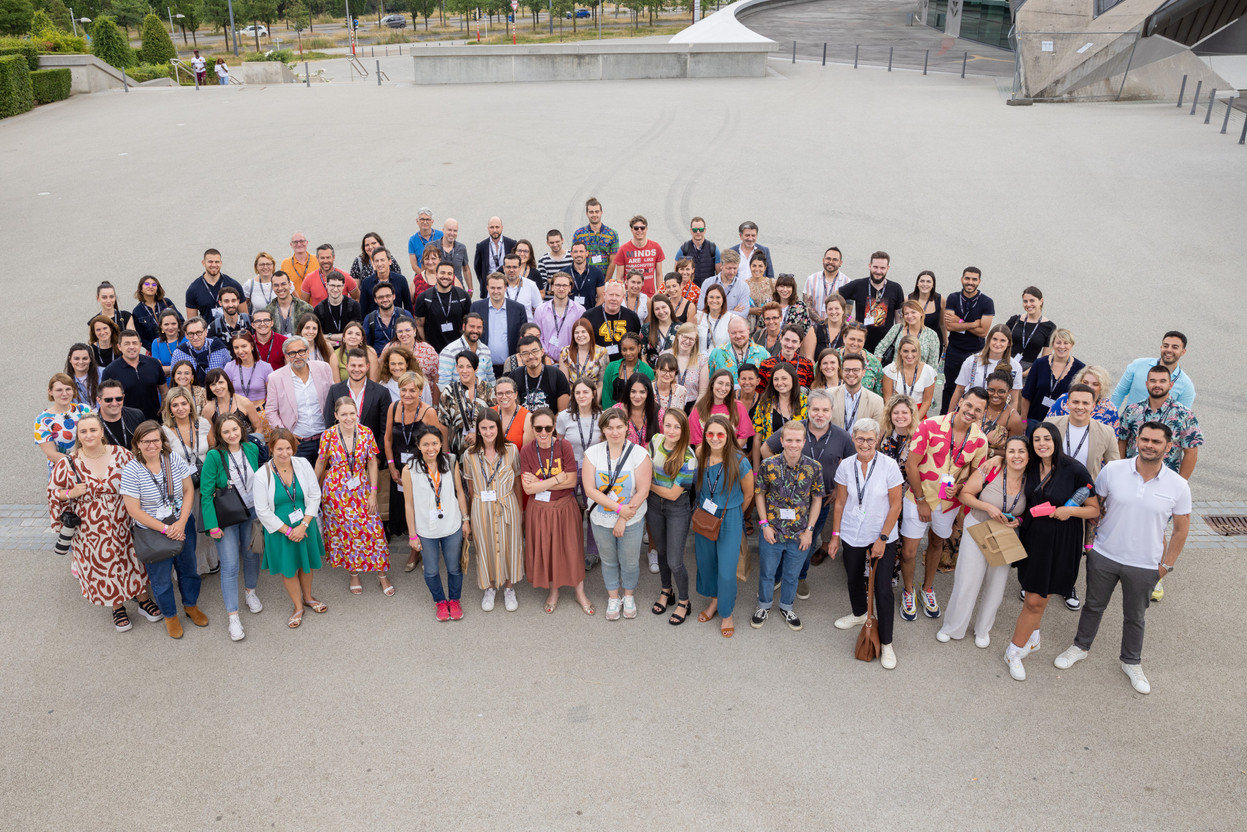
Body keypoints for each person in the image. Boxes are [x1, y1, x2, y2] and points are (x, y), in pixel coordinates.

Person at [1054, 422, 1191, 694]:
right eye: (1145, 439)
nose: (1149, 445)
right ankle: (1080, 647)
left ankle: (1131, 662)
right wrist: (1092, 545)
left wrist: (1165, 566)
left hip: (1145, 564)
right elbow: (1096, 508)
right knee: (1093, 606)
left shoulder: (1178, 485)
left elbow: (1180, 531)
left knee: (1135, 616)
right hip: (1104, 555)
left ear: (1168, 446)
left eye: (1156, 441)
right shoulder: (1113, 471)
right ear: (1136, 441)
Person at [1005, 422, 1100, 681]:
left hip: (1063, 541)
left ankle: (1018, 648)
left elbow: (1094, 510)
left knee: (1038, 597)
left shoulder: (1074, 470)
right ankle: (1026, 642)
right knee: (1035, 595)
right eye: (1037, 440)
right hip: (1033, 539)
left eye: (1047, 438)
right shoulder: (1030, 466)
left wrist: (1069, 511)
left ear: (1056, 440)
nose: (1042, 444)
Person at [48, 413, 159, 632]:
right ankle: (116, 606)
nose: (88, 435)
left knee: (133, 560)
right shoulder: (68, 463)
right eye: (83, 431)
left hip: (124, 522)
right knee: (103, 567)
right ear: (78, 436)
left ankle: (143, 600)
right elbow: (53, 492)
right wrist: (70, 492)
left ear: (101, 432)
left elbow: (142, 478)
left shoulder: (121, 455)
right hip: (90, 529)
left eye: (93, 430)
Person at [900, 387, 990, 621]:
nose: (971, 412)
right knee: (909, 552)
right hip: (919, 498)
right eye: (969, 405)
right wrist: (921, 500)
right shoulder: (930, 425)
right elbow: (911, 465)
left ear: (983, 413)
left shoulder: (980, 441)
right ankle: (908, 591)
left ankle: (927, 588)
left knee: (937, 544)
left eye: (978, 410)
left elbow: (976, 477)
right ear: (961, 401)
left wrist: (960, 488)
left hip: (949, 504)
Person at [935, 435, 1029, 648]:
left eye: (1021, 451)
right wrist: (987, 507)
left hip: (1006, 534)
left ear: (1028, 455)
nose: (1016, 456)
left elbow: (1031, 509)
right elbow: (965, 495)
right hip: (977, 526)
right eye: (1011, 451)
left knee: (996, 585)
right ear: (1005, 452)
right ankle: (952, 626)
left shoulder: (1031, 478)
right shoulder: (991, 469)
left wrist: (1020, 520)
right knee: (967, 580)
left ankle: (983, 629)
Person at [829, 417, 904, 668]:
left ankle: (887, 643)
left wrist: (882, 538)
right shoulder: (846, 466)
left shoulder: (889, 466)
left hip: (881, 534)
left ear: (877, 440)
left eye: (870, 439)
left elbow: (896, 504)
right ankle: (860, 614)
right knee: (852, 577)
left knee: (882, 589)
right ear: (853, 439)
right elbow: (840, 502)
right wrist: (835, 535)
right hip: (852, 531)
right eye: (860, 438)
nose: (865, 443)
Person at [119, 420, 204, 639]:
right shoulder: (131, 470)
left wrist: (182, 522)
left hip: (181, 524)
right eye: (145, 441)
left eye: (155, 440)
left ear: (161, 441)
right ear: (137, 444)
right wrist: (167, 529)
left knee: (189, 570)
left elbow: (188, 491)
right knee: (161, 578)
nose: (151, 445)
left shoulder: (173, 459)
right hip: (153, 531)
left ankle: (191, 605)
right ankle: (170, 615)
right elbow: (134, 510)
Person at [753, 420, 825, 632]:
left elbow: (818, 499)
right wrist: (764, 524)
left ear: (804, 442)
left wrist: (810, 531)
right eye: (789, 440)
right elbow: (760, 494)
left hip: (799, 533)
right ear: (782, 441)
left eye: (798, 440)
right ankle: (763, 606)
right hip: (772, 531)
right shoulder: (769, 465)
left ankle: (787, 607)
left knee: (792, 575)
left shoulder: (814, 467)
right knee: (767, 572)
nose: (793, 444)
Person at [316, 397, 391, 597]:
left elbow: (373, 463)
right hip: (336, 492)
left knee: (374, 530)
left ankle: (382, 574)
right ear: (336, 416)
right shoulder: (328, 435)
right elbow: (321, 463)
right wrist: (313, 490)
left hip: (362, 488)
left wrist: (374, 492)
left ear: (356, 413)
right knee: (346, 533)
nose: (349, 418)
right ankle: (353, 573)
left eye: (352, 413)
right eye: (344, 414)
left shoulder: (366, 433)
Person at [583, 408, 653, 621]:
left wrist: (623, 517)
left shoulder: (640, 454)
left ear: (626, 427)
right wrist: (619, 509)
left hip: (632, 519)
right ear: (603, 429)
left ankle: (628, 595)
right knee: (608, 559)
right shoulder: (592, 454)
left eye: (619, 427)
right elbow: (590, 490)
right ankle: (613, 597)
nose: (615, 432)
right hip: (601, 518)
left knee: (630, 560)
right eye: (609, 427)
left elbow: (643, 490)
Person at [253, 428, 327, 629]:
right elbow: (262, 510)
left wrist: (303, 526)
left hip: (305, 524)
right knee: (289, 570)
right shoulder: (262, 475)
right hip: (280, 530)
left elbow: (314, 495)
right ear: (271, 449)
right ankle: (297, 606)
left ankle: (309, 597)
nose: (284, 453)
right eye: (279, 449)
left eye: (288, 448)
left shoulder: (302, 464)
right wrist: (288, 530)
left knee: (307, 563)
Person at [200, 414, 265, 642]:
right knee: (229, 565)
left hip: (252, 510)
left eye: (235, 429)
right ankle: (233, 617)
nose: (232, 435)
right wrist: (212, 526)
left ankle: (250, 592)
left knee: (251, 555)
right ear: (219, 434)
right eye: (226, 432)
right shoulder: (214, 456)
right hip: (225, 517)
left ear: (241, 429)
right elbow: (206, 495)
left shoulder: (251, 448)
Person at [520, 407, 589, 614]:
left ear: (554, 428)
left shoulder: (564, 446)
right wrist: (558, 478)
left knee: (572, 550)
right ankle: (554, 591)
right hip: (539, 509)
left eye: (548, 428)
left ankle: (580, 593)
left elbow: (571, 481)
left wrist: (542, 482)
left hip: (564, 507)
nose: (543, 432)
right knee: (548, 551)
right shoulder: (527, 451)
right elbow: (528, 488)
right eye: (538, 428)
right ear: (532, 428)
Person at [692, 414, 754, 638]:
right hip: (705, 516)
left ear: (728, 435)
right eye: (710, 433)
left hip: (730, 517)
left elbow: (748, 494)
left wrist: (733, 511)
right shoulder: (700, 454)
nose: (715, 438)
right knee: (707, 564)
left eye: (720, 434)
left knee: (727, 571)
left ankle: (727, 612)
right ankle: (715, 601)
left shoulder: (739, 461)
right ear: (704, 435)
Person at [402, 424, 469, 620]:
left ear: (441, 444)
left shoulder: (450, 461)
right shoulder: (409, 469)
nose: (431, 448)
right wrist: (412, 534)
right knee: (431, 570)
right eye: (426, 444)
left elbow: (460, 492)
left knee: (454, 567)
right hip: (425, 529)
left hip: (451, 526)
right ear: (419, 445)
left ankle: (454, 600)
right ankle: (440, 601)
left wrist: (466, 520)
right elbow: (409, 505)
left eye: (434, 443)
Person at [462, 408, 524, 611]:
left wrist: (520, 511)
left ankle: (508, 587)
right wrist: (470, 517)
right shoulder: (469, 455)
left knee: (509, 546)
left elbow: (516, 482)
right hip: (481, 506)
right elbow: (471, 489)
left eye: (492, 427)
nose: (488, 432)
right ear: (478, 430)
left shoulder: (511, 450)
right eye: (483, 428)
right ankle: (489, 587)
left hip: (507, 505)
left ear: (498, 428)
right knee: (485, 546)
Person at [646, 408, 698, 625]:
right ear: (662, 425)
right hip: (654, 506)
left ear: (684, 428)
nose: (672, 430)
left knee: (675, 560)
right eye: (668, 425)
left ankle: (684, 602)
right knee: (662, 551)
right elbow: (644, 467)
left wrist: (648, 486)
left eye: (677, 426)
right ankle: (666, 591)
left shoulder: (688, 456)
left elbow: (673, 493)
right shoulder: (655, 440)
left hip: (677, 508)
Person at [161, 386, 217, 575]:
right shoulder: (165, 431)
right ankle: (190, 567)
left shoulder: (202, 423)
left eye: (184, 403)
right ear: (169, 408)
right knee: (188, 525)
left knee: (205, 522)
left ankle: (208, 561)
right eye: (175, 405)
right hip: (182, 486)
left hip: (205, 482)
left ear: (190, 405)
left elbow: (212, 446)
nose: (180, 408)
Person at [1116, 365, 1202, 480]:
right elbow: (1122, 442)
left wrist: (1181, 483)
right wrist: (1121, 473)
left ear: (1170, 385)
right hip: (1132, 477)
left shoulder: (1185, 415)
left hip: (1165, 481)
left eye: (1162, 381)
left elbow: (1191, 453)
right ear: (1147, 384)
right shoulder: (1132, 411)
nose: (1157, 385)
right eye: (1153, 381)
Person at [265, 335, 334, 463]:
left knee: (326, 480)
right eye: (292, 353)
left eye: (301, 351)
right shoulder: (275, 378)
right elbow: (270, 411)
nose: (297, 356)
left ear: (308, 352)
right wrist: (285, 433)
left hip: (326, 438)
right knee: (301, 481)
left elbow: (334, 400)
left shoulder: (323, 368)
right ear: (286, 356)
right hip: (298, 442)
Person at [557, 379, 603, 571]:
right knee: (568, 511)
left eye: (586, 392)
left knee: (593, 511)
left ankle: (592, 552)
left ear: (593, 393)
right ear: (573, 395)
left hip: (594, 468)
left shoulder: (602, 416)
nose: (582, 396)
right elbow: (558, 444)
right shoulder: (564, 416)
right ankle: (570, 551)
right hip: (570, 467)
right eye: (578, 393)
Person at [940, 266, 994, 415]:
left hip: (976, 353)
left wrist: (960, 321)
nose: (970, 282)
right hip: (954, 351)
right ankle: (945, 416)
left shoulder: (987, 302)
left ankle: (969, 417)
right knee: (950, 386)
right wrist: (973, 323)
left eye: (974, 279)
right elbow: (950, 325)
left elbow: (983, 332)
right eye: (967, 278)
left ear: (979, 281)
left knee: (973, 389)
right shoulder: (953, 297)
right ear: (962, 279)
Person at [838, 251, 906, 353]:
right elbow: (834, 298)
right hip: (860, 344)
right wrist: (849, 318)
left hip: (885, 347)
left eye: (882, 268)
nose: (878, 271)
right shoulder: (858, 285)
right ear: (870, 266)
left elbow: (899, 321)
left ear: (888, 268)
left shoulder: (895, 288)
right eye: (875, 267)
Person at [947, 324, 1023, 414]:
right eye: (994, 339)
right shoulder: (972, 361)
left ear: (1009, 343)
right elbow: (959, 390)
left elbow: (1014, 400)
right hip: (972, 412)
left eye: (1002, 340)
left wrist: (1008, 422)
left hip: (997, 415)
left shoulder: (1015, 367)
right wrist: (948, 416)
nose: (998, 344)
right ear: (989, 340)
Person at [1112, 330, 1196, 409]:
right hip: (1130, 422)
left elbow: (1183, 416)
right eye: (1166, 346)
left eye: (1175, 347)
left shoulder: (1186, 385)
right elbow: (1119, 393)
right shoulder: (1137, 365)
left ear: (1183, 352)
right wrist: (1111, 419)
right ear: (1161, 347)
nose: (1169, 350)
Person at [1019, 328, 1084, 424]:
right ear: (1052, 344)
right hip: (1034, 420)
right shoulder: (1039, 363)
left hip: (1061, 423)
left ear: (1072, 345)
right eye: (1058, 342)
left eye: (1066, 343)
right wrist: (1023, 421)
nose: (1062, 346)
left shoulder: (1080, 368)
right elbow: (1026, 395)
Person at [437, 350, 494, 458]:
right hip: (457, 449)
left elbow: (495, 419)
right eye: (461, 366)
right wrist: (445, 452)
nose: (464, 371)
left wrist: (478, 434)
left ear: (476, 368)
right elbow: (442, 423)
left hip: (485, 446)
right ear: (457, 368)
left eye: (469, 366)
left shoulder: (488, 389)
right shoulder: (449, 391)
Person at [472, 272, 528, 378]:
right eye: (492, 288)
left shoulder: (518, 309)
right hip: (483, 368)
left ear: (505, 288)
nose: (496, 291)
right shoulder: (476, 307)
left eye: (499, 288)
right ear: (487, 288)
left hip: (511, 368)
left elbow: (523, 338)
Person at [101, 330, 166, 420]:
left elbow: (164, 392)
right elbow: (105, 400)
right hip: (127, 423)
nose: (131, 347)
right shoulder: (110, 371)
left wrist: (164, 409)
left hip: (155, 420)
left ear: (140, 345)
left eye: (135, 343)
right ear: (119, 347)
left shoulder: (154, 364)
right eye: (127, 344)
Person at [36, 373, 95, 474]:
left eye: (68, 389)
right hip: (63, 470)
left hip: (92, 465)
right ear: (50, 391)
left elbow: (97, 436)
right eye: (59, 390)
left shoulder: (84, 409)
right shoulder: (42, 420)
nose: (64, 393)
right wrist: (80, 465)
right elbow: (51, 454)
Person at [751, 363, 808, 460]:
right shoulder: (765, 403)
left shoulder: (805, 402)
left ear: (793, 379)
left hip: (799, 461)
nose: (780, 382)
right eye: (776, 379)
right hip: (770, 460)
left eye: (784, 378)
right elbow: (757, 439)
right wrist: (756, 470)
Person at [414, 261, 471, 354]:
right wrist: (426, 349)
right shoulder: (424, 298)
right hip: (434, 351)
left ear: (453, 276)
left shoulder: (463, 296)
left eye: (449, 273)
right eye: (442, 273)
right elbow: (419, 325)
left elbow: (468, 323)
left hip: (459, 351)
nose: (446, 276)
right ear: (436, 274)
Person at [689, 369, 754, 447]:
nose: (723, 388)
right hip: (707, 456)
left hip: (732, 454)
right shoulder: (698, 409)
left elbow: (743, 438)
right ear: (712, 384)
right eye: (720, 383)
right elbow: (698, 444)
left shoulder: (738, 407)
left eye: (727, 385)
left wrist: (727, 455)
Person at [510, 335, 571, 413]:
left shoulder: (556, 375)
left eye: (535, 351)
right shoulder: (515, 376)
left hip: (550, 424)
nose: (531, 356)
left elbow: (562, 413)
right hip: (523, 424)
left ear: (542, 352)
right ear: (520, 356)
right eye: (525, 353)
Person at [873, 299, 941, 370]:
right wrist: (878, 370)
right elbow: (880, 349)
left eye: (913, 312)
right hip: (896, 374)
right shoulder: (897, 328)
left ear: (921, 313)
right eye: (906, 314)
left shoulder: (931, 335)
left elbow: (933, 364)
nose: (909, 316)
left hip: (919, 377)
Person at [1045, 365, 1119, 429]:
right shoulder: (1064, 399)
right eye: (1085, 382)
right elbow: (1047, 425)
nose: (1089, 387)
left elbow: (1113, 440)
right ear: (1079, 382)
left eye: (1095, 384)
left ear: (1102, 387)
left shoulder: (1110, 409)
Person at [881, 335, 936, 419]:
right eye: (905, 351)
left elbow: (927, 401)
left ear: (918, 352)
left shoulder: (928, 371)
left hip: (918, 414)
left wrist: (915, 421)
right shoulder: (890, 370)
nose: (909, 355)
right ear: (900, 352)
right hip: (896, 414)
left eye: (914, 351)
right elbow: (887, 400)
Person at [437, 312, 495, 391]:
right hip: (458, 400)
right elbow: (444, 385)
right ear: (464, 327)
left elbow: (490, 378)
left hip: (483, 400)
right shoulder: (449, 351)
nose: (475, 330)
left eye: (479, 327)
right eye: (472, 326)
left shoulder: (485, 350)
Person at [607, 214, 664, 294]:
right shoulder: (623, 250)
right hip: (629, 296)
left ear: (646, 229)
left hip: (650, 295)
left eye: (642, 228)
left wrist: (659, 293)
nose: (639, 230)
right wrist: (621, 295)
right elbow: (619, 277)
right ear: (631, 229)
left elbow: (659, 274)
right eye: (636, 228)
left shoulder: (656, 247)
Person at [828, 352, 884, 432]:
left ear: (863, 372)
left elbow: (878, 433)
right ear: (842, 371)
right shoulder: (829, 395)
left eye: (856, 370)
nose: (851, 374)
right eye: (847, 370)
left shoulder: (876, 401)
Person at [1004, 286, 1055, 374]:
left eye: (1032, 300)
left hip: (1029, 370)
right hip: (1007, 365)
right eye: (1025, 301)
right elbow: (1000, 342)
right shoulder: (1015, 320)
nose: (1028, 304)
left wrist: (1026, 373)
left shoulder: (1049, 327)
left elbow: (1045, 358)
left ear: (1041, 301)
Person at [708, 315, 769, 384]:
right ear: (728, 332)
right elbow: (710, 381)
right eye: (734, 333)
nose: (738, 336)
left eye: (741, 332)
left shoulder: (763, 353)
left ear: (748, 330)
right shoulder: (717, 353)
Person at [185, 248, 244, 320]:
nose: (214, 265)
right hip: (207, 330)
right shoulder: (193, 289)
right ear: (203, 263)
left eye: (217, 262)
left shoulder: (234, 285)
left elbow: (244, 316)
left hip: (232, 330)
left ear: (221, 263)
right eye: (210, 262)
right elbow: (192, 322)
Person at [202, 368, 264, 435]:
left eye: (221, 382)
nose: (218, 387)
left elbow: (258, 428)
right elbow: (211, 436)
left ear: (228, 382)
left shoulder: (245, 402)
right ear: (209, 388)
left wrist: (252, 444)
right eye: (213, 384)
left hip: (247, 443)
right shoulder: (207, 409)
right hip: (223, 445)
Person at [978, 369, 1026, 456]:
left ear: (1009, 392)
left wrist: (990, 452)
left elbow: (1015, 451)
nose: (995, 395)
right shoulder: (978, 406)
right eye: (991, 390)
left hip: (991, 465)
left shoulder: (1013, 418)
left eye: (1001, 391)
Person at [600, 332, 653, 409]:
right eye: (624, 350)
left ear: (639, 347)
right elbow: (606, 395)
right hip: (614, 413)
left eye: (631, 349)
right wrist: (610, 415)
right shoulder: (611, 367)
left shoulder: (647, 371)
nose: (628, 353)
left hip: (638, 413)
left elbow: (649, 398)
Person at [299, 243, 357, 309]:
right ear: (317, 258)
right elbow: (303, 305)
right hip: (319, 318)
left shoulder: (345, 277)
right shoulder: (309, 279)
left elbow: (357, 298)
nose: (325, 261)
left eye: (328, 257)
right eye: (322, 258)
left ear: (333, 257)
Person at [314, 272, 363, 350]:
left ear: (343, 286)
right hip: (327, 350)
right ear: (327, 285)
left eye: (339, 286)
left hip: (350, 350)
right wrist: (339, 342)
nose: (335, 289)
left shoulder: (353, 306)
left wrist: (329, 336)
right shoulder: (319, 309)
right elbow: (318, 338)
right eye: (332, 285)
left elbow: (355, 335)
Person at [131, 275, 181, 350]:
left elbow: (180, 321)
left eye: (154, 284)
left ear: (157, 289)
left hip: (175, 345)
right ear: (141, 288)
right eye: (147, 284)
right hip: (155, 349)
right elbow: (140, 337)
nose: (151, 286)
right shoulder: (137, 311)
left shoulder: (166, 302)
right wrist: (154, 348)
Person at [758, 325, 815, 391]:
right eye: (787, 340)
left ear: (800, 343)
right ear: (781, 338)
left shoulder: (807, 364)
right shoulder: (766, 364)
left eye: (794, 341)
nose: (789, 345)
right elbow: (760, 392)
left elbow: (809, 390)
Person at [572, 197, 619, 275]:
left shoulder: (612, 233)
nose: (594, 215)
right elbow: (574, 257)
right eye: (591, 212)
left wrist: (605, 283)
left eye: (597, 212)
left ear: (601, 212)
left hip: (604, 277)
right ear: (587, 214)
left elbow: (613, 261)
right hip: (584, 277)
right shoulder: (579, 234)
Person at [359, 247, 411, 318]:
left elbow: (408, 306)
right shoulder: (367, 283)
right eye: (376, 261)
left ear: (390, 261)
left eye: (382, 260)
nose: (379, 264)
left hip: (397, 323)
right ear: (373, 264)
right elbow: (363, 311)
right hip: (375, 325)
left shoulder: (401, 280)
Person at [473, 216, 516, 298]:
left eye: (497, 227)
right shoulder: (481, 246)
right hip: (489, 288)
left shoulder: (511, 244)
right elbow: (477, 268)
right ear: (488, 228)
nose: (495, 230)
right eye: (492, 227)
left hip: (508, 286)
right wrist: (484, 283)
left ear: (502, 228)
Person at [97, 379, 146, 450]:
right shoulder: (92, 423)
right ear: (99, 400)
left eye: (119, 399)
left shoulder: (137, 415)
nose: (114, 403)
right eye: (108, 400)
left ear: (123, 397)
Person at [224, 332, 273, 404]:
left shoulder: (266, 368)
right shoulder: (229, 367)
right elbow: (226, 393)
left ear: (252, 346)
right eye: (236, 348)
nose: (240, 351)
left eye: (244, 346)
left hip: (260, 412)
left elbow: (272, 395)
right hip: (238, 412)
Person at [668, 322, 708, 409]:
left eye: (691, 339)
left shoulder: (702, 360)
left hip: (692, 406)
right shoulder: (666, 356)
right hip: (669, 404)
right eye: (685, 337)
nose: (687, 341)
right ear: (678, 336)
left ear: (695, 341)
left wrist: (693, 413)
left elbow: (703, 392)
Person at [804, 246, 849, 322]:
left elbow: (848, 312)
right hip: (814, 327)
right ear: (823, 260)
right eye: (828, 258)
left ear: (840, 263)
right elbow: (808, 307)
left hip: (837, 329)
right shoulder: (811, 279)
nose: (831, 262)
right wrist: (822, 323)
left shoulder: (847, 282)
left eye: (835, 259)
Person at [698, 250, 749, 316]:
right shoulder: (708, 283)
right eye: (729, 268)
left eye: (735, 268)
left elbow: (743, 314)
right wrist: (731, 312)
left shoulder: (743, 286)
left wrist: (715, 312)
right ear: (721, 266)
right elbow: (701, 308)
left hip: (732, 325)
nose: (732, 272)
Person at [838, 323, 884, 396]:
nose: (855, 343)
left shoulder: (874, 363)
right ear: (844, 338)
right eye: (852, 339)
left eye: (859, 340)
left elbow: (879, 395)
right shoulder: (831, 359)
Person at [266, 271, 313, 337]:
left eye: (283, 284)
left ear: (290, 285)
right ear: (272, 287)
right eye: (276, 285)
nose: (280, 288)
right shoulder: (268, 311)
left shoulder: (305, 308)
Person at [677, 217, 720, 285]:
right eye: (695, 230)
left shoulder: (713, 248)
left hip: (708, 290)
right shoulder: (684, 249)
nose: (698, 232)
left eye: (701, 229)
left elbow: (719, 275)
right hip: (690, 292)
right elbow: (677, 273)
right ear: (691, 230)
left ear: (705, 230)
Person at [908, 270, 945, 348]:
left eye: (928, 281)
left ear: (933, 285)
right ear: (917, 284)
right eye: (922, 281)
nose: (925, 284)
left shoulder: (940, 299)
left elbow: (942, 324)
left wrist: (946, 343)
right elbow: (904, 324)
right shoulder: (908, 299)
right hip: (913, 344)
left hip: (934, 344)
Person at [566, 241, 606, 311]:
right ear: (571, 254)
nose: (578, 254)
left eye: (581, 251)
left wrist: (594, 313)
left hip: (590, 314)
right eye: (575, 252)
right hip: (569, 314)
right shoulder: (564, 272)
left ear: (587, 253)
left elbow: (601, 296)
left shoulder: (597, 272)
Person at [697, 284, 734, 356]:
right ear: (706, 299)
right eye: (711, 297)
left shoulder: (732, 319)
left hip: (722, 361)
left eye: (718, 297)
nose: (714, 300)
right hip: (700, 361)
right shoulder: (698, 317)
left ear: (723, 299)